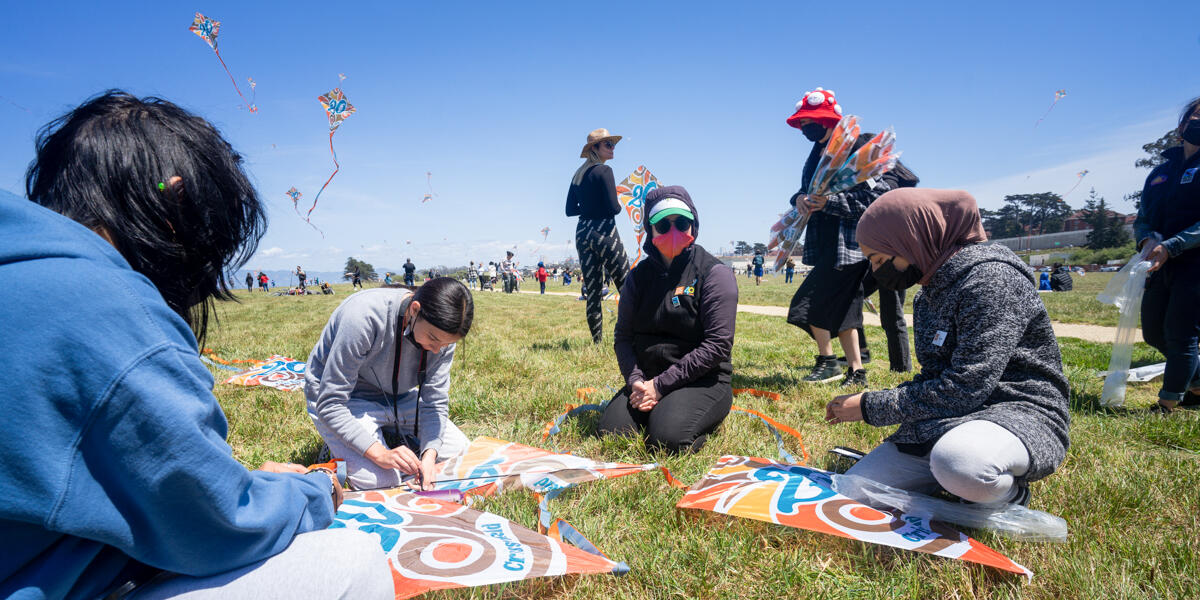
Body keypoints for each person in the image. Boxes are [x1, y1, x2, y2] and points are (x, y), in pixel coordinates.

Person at [1, 91, 392, 599]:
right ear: (178, 204)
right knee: (350, 563)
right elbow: (219, 528)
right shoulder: (109, 308)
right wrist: (316, 491)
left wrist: (237, 484)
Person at [825, 188, 1070, 507]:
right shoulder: (928, 294)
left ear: (911, 239)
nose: (877, 272)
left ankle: (1009, 495)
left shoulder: (991, 280)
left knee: (961, 464)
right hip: (951, 419)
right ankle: (952, 479)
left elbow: (965, 386)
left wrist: (871, 406)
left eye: (881, 260)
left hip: (1018, 411)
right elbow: (937, 377)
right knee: (855, 492)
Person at [785, 88, 918, 387]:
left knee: (819, 303)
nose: (807, 128)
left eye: (812, 121)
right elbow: (806, 190)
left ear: (831, 120)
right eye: (803, 123)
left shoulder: (858, 147)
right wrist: (799, 199)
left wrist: (831, 203)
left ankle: (845, 363)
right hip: (827, 242)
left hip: (861, 243)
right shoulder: (814, 156)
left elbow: (880, 192)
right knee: (844, 306)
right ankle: (855, 367)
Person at [598, 186, 738, 453]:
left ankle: (691, 419)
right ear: (650, 232)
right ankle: (657, 407)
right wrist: (636, 381)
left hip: (702, 380)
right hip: (648, 377)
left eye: (681, 223)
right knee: (612, 433)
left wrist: (661, 387)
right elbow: (623, 337)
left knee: (667, 440)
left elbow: (718, 345)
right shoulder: (638, 278)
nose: (672, 230)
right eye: (662, 224)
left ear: (693, 226)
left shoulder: (714, 274)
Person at [306, 278, 473, 491]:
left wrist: (429, 455)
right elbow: (331, 404)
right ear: (415, 309)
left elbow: (434, 403)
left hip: (396, 396)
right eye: (432, 339)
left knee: (462, 452)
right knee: (381, 482)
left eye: (447, 344)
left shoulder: (440, 337)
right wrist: (380, 454)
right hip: (345, 400)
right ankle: (338, 445)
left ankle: (381, 436)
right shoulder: (363, 317)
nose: (437, 350)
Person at [1135, 96, 1200, 412]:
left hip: (1194, 263)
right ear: (1183, 125)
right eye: (1197, 117)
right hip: (1158, 262)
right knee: (1153, 332)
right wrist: (1145, 239)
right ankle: (1197, 384)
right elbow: (1143, 214)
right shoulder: (1160, 172)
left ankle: (1168, 404)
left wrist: (1173, 246)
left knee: (1181, 333)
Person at [565, 128, 631, 343]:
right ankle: (632, 337)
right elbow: (614, 208)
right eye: (608, 145)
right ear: (595, 148)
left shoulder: (578, 175)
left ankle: (596, 341)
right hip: (604, 231)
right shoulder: (605, 171)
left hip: (583, 232)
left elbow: (569, 210)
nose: (612, 148)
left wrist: (589, 206)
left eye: (613, 144)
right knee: (627, 286)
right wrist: (617, 200)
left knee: (592, 291)